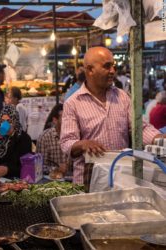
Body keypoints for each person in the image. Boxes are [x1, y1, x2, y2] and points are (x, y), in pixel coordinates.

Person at [60, 47, 164, 185]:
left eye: (113, 66)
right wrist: (83, 144)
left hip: (121, 176)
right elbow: (67, 142)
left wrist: (158, 138)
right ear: (90, 70)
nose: (113, 71)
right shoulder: (73, 103)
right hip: (88, 180)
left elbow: (140, 129)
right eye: (107, 66)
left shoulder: (122, 97)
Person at [0, 104, 32, 179]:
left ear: (15, 121)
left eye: (9, 121)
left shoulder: (23, 138)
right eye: (2, 121)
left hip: (12, 179)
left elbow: (25, 166)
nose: (5, 124)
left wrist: (8, 170)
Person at [36, 104, 68, 175]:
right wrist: (57, 169)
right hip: (51, 180)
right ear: (55, 120)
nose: (69, 121)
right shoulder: (45, 137)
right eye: (65, 118)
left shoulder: (77, 136)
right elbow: (38, 167)